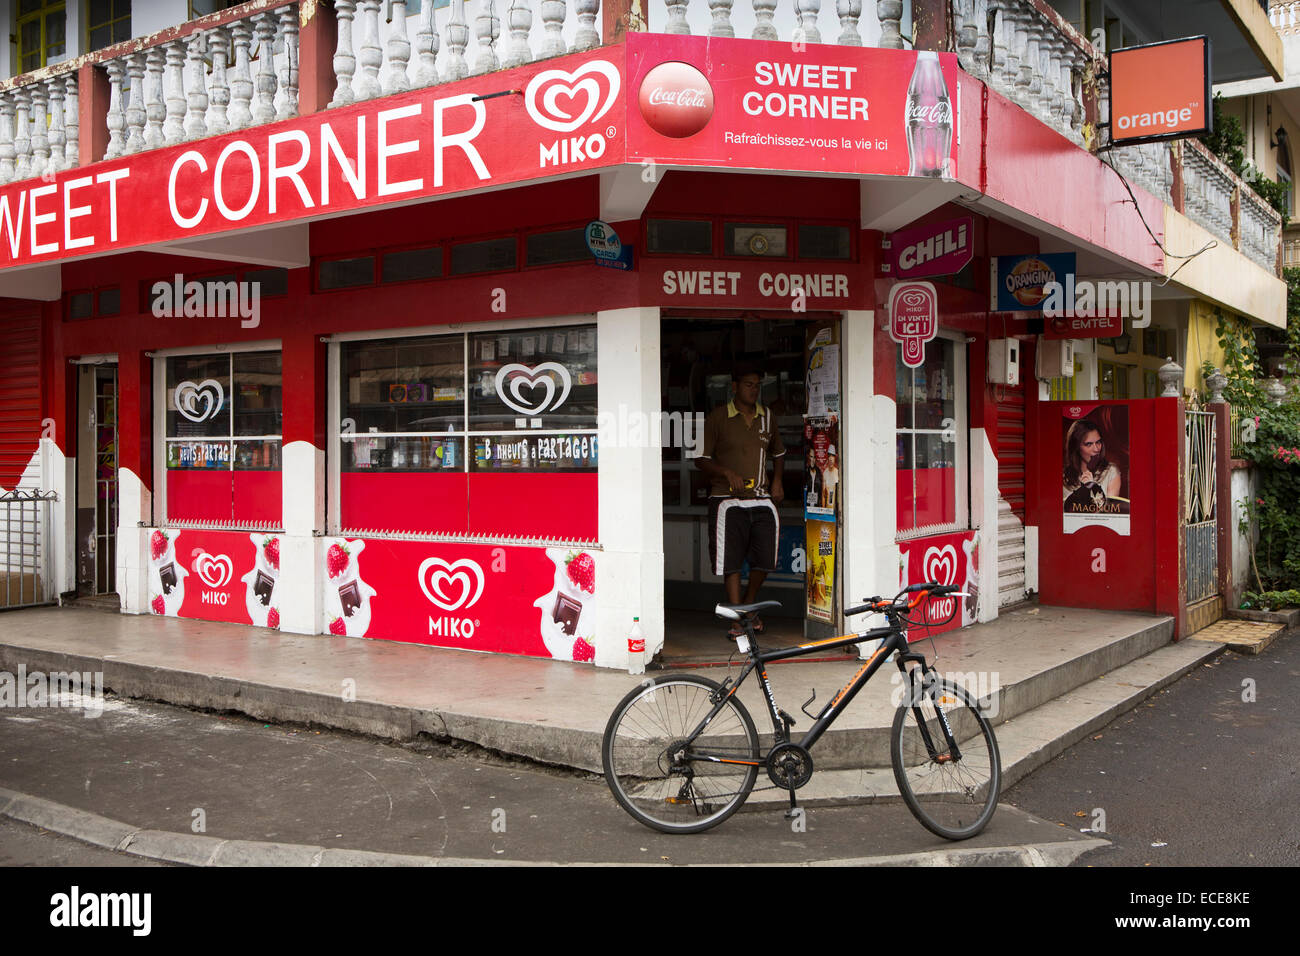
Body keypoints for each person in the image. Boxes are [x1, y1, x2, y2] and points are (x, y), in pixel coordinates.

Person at [696, 363, 785, 635]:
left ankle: (749, 606)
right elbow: (701, 459)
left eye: (757, 385)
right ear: (734, 387)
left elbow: (778, 453)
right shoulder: (718, 417)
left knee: (766, 559)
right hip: (726, 500)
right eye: (748, 384)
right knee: (730, 561)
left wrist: (778, 480)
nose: (754, 390)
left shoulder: (767, 417)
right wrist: (725, 472)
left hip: (760, 498)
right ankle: (738, 619)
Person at [1063, 418, 1121, 507]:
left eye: (1098, 442)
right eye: (1089, 444)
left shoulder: (1111, 472)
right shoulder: (1064, 477)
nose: (1096, 449)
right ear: (1076, 447)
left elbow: (1110, 511)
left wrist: (1093, 487)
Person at [821, 445, 840, 511]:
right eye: (829, 457)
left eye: (832, 457)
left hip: (835, 508)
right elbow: (823, 494)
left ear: (835, 458)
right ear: (827, 459)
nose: (831, 460)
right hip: (828, 509)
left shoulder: (837, 472)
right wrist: (823, 510)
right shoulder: (825, 473)